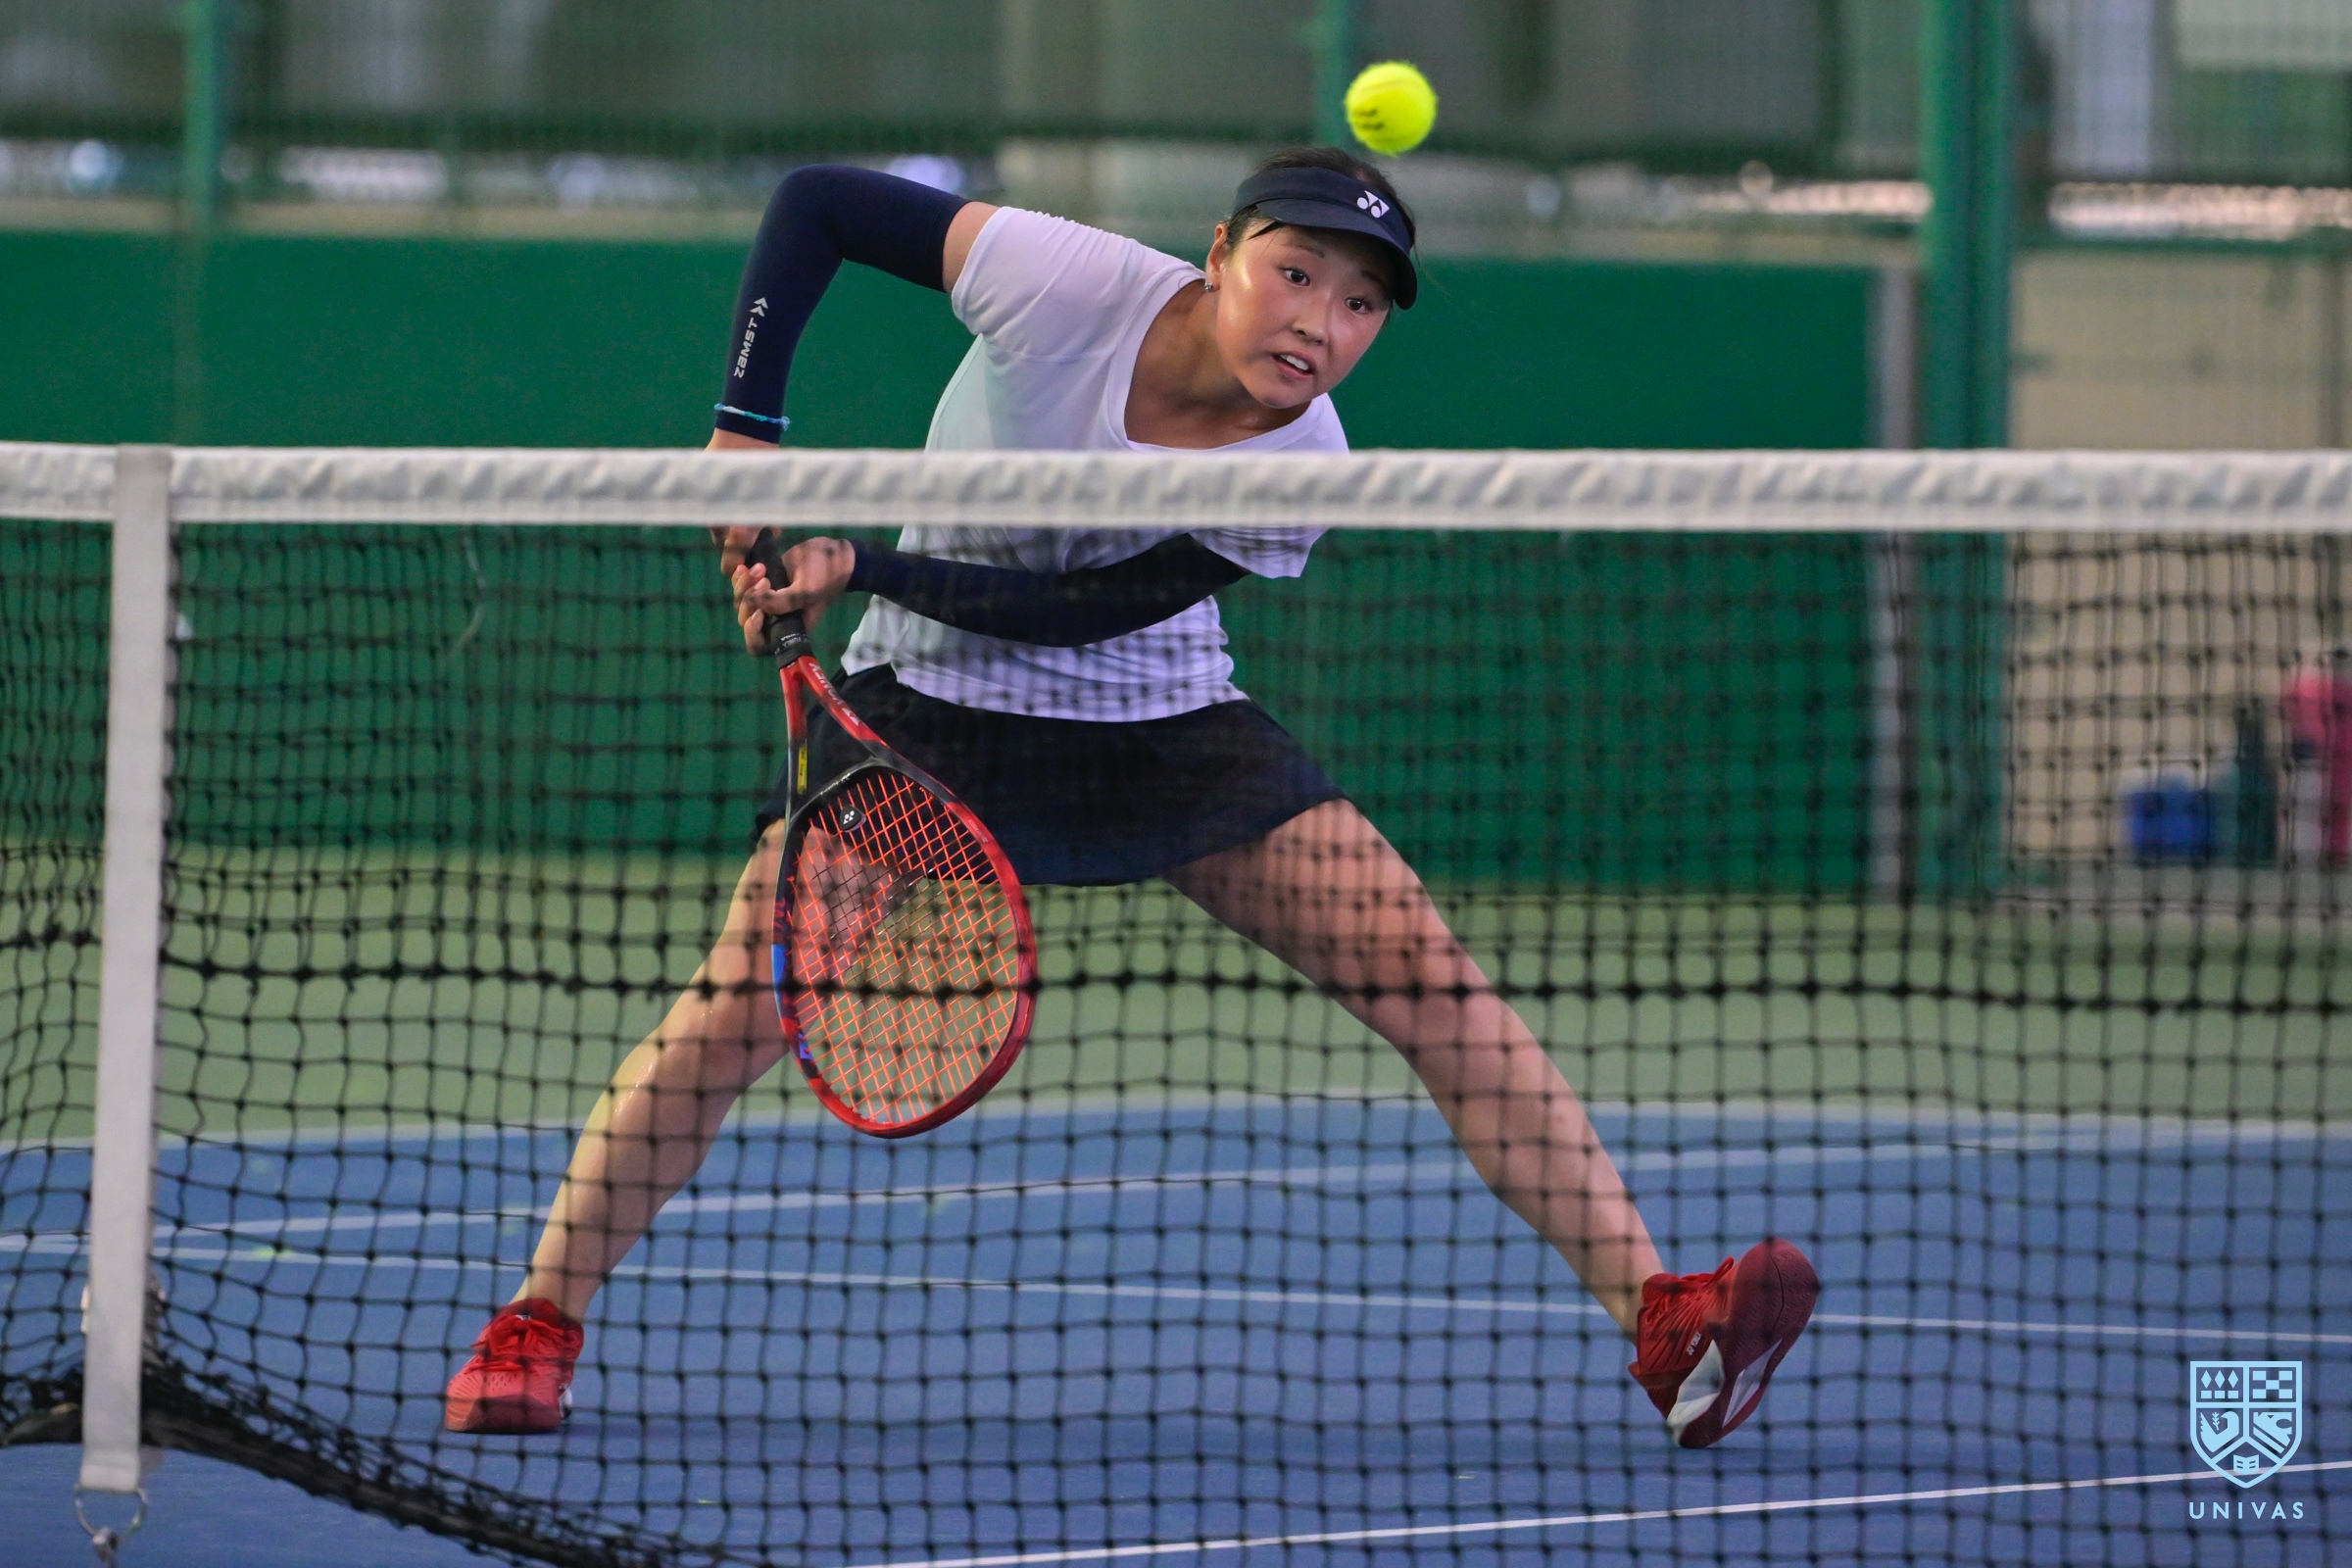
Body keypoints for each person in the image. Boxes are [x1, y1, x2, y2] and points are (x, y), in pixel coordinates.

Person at [441, 148, 1818, 1450]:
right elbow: (819, 207)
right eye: (1293, 274)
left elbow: (1083, 610)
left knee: (1431, 982)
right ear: (1219, 256)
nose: (1318, 323)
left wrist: (856, 561)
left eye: (1359, 304)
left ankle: (1666, 1326)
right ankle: (536, 1322)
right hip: (928, 703)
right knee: (735, 1008)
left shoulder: (1305, 463)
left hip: (1160, 716)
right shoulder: (1061, 281)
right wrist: (747, 432)